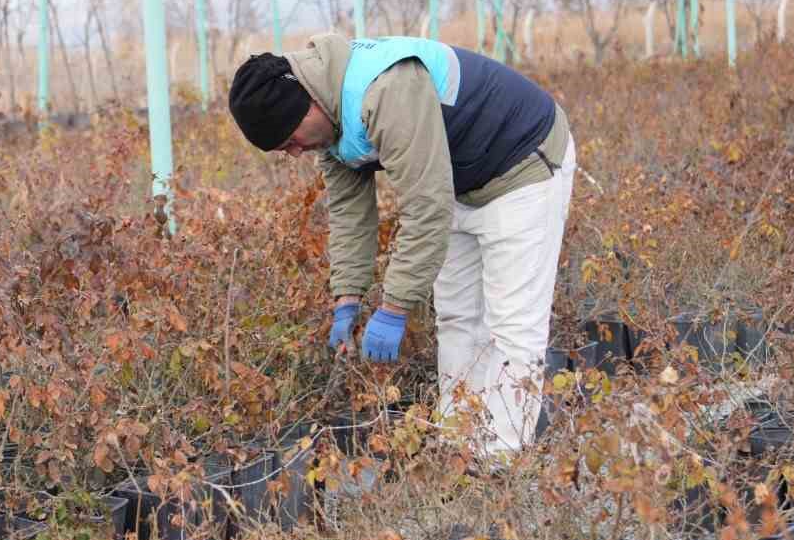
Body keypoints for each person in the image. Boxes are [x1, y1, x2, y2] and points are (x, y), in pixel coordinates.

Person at [228, 32, 575, 459]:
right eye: (284, 150)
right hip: (458, 184)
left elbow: (426, 211)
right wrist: (347, 298)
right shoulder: (329, 119)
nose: (296, 152)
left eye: (291, 140)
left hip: (522, 165)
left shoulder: (386, 91)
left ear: (306, 105)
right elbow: (350, 214)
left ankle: (502, 464)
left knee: (511, 325)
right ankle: (459, 450)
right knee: (459, 321)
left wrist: (393, 308)